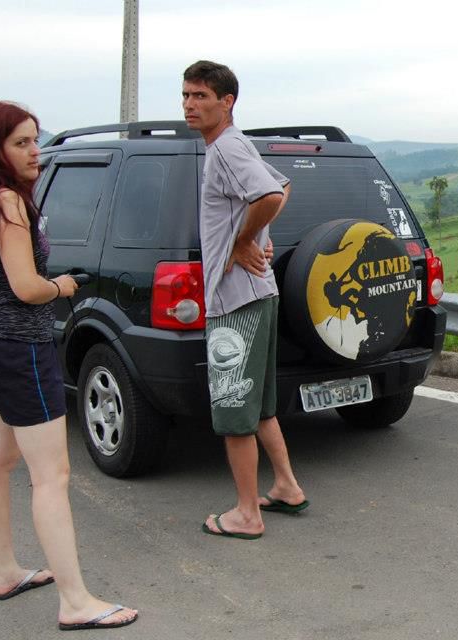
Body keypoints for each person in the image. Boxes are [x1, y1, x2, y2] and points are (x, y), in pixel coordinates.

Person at [0, 101, 138, 631]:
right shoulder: (8, 203)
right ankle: (76, 601)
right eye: (20, 143)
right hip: (20, 350)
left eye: (35, 139)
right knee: (52, 477)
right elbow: (27, 288)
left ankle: (5, 572)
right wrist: (60, 286)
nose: (34, 151)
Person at [182, 60, 308, 540]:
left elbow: (271, 195)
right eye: (186, 95)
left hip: (236, 301)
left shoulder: (226, 148)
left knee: (235, 412)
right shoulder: (233, 144)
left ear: (227, 101)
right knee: (258, 408)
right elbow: (282, 185)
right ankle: (286, 486)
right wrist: (257, 234)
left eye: (200, 96)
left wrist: (243, 239)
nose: (190, 104)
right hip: (258, 295)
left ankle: (246, 514)